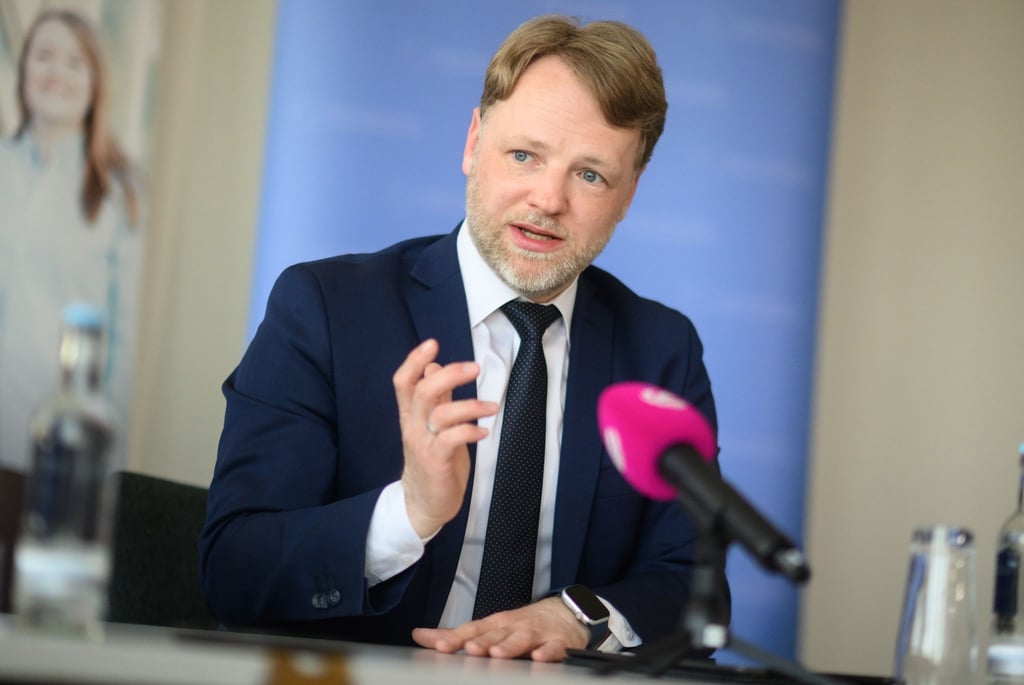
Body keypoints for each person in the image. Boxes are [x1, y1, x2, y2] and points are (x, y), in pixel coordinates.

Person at [200, 14, 724, 662]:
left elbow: (696, 587)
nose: (548, 199)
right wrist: (408, 512)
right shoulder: (327, 310)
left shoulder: (662, 351)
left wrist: (577, 616)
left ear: (628, 196)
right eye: (524, 155)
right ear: (474, 143)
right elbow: (233, 568)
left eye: (590, 175)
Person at [0, 9, 141, 470]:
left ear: (95, 84)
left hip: (58, 450)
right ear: (24, 69)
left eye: (75, 62)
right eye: (43, 56)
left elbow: (124, 343)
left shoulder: (121, 194)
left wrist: (101, 456)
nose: (56, 72)